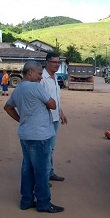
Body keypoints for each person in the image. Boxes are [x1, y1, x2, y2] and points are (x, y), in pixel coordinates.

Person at [3, 61, 64, 213]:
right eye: (38, 74)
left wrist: (21, 119)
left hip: (26, 134)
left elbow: (8, 107)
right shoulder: (36, 87)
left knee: (27, 168)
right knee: (41, 170)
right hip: (40, 135)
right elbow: (52, 104)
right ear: (30, 72)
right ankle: (43, 202)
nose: (40, 77)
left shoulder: (18, 89)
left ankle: (26, 200)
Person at [41, 52, 67, 182]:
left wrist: (61, 112)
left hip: (55, 117)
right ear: (47, 62)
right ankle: (44, 177)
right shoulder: (42, 78)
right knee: (47, 149)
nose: (57, 65)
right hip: (46, 119)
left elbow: (55, 98)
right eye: (54, 62)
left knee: (51, 147)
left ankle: (50, 172)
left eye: (58, 62)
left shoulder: (55, 77)